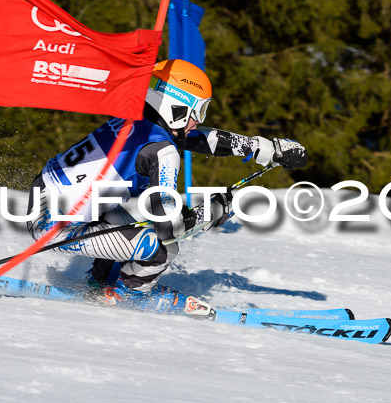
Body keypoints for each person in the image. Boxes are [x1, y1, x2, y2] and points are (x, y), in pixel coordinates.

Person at [26, 59, 307, 318]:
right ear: (178, 106)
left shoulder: (135, 117)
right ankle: (128, 297)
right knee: (161, 249)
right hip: (55, 228)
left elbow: (198, 138)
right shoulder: (162, 149)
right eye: (199, 110)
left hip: (45, 202)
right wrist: (212, 212)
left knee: (126, 216)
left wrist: (263, 148)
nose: (198, 120)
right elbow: (169, 228)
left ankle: (100, 284)